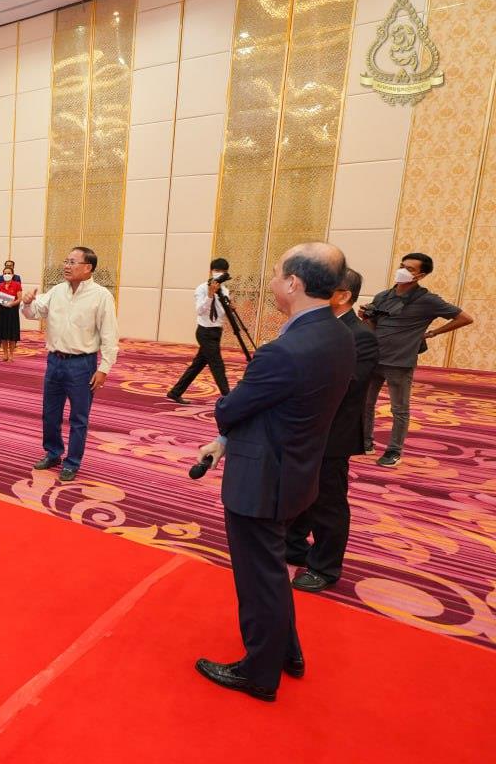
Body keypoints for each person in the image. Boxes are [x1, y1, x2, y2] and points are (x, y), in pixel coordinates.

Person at [194, 242, 355, 702]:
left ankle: (259, 672)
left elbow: (230, 408)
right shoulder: (340, 332)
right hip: (297, 469)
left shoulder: (284, 351)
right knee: (271, 569)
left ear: (294, 283)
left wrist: (225, 421)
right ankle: (287, 651)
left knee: (258, 576)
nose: (271, 282)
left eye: (277, 274)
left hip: (262, 478)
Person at [285, 267, 378, 593]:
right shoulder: (315, 328)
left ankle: (325, 567)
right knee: (299, 493)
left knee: (328, 502)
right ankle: (294, 546)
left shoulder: (360, 335)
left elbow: (348, 385)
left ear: (343, 295)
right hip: (302, 430)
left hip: (332, 434)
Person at [360, 252, 473, 467]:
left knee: (399, 408)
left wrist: (433, 333)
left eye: (409, 269)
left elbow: (465, 318)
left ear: (420, 275)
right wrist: (366, 318)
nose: (402, 270)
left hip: (400, 362)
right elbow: (372, 327)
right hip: (374, 357)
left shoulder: (428, 300)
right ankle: (366, 442)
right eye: (402, 265)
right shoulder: (383, 296)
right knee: (366, 403)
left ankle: (394, 451)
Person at [23, 247, 119, 483]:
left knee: (79, 417)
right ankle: (53, 452)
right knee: (50, 413)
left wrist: (104, 368)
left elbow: (109, 335)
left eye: (72, 262)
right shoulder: (57, 290)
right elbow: (34, 313)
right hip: (54, 361)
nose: (66, 266)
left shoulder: (101, 296)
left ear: (88, 267)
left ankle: (72, 462)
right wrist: (27, 303)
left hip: (82, 364)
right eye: (66, 261)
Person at [167, 258, 233, 404]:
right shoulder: (202, 289)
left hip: (216, 331)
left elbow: (222, 314)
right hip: (205, 332)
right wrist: (210, 295)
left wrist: (229, 306)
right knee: (217, 365)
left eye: (222, 271)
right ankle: (229, 398)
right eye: (216, 270)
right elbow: (199, 310)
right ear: (211, 271)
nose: (219, 273)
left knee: (197, 365)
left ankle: (175, 392)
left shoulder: (225, 291)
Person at [0, 260, 22, 361]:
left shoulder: (17, 284)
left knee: (12, 335)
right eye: (5, 273)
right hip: (2, 312)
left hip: (12, 312)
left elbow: (19, 299)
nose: (7, 275)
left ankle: (11, 355)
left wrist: (11, 304)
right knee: (3, 335)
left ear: (12, 274)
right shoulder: (0, 285)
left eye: (9, 273)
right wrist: (2, 302)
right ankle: (5, 354)